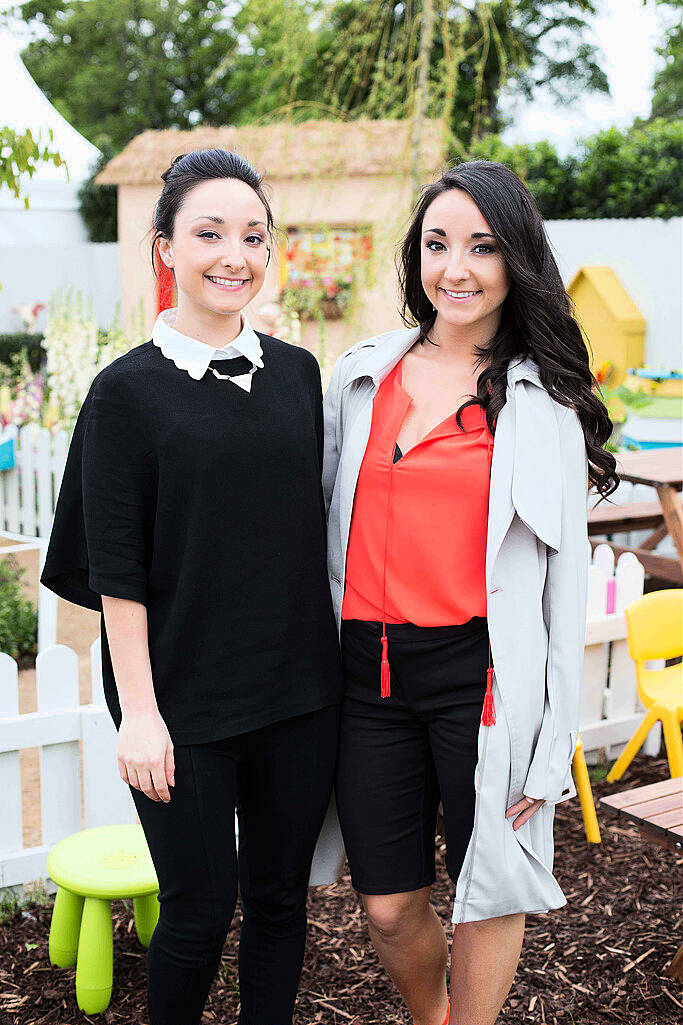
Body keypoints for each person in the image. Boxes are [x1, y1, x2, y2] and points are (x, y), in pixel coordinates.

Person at [40, 148, 343, 1025]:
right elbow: (115, 573)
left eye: (253, 235)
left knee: (281, 902)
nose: (234, 254)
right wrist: (139, 712)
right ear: (165, 246)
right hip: (178, 699)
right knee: (199, 910)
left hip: (297, 689)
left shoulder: (296, 373)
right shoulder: (124, 393)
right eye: (208, 232)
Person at [322, 160, 618, 1025]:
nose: (455, 267)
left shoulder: (541, 401)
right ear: (415, 254)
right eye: (437, 243)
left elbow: (563, 582)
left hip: (482, 678)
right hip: (366, 677)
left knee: (489, 888)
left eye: (481, 247)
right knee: (385, 905)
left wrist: (552, 732)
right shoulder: (360, 375)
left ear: (513, 258)